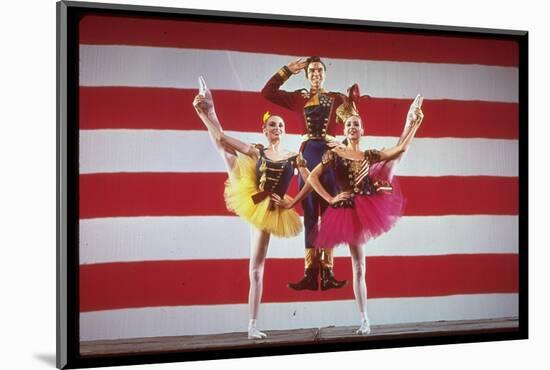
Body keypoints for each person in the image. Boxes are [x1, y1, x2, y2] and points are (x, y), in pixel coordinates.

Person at [193, 77, 310, 339]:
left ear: (284, 130)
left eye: (280, 125)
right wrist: (202, 113)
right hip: (251, 190)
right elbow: (222, 138)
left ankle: (252, 325)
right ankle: (209, 104)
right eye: (272, 125)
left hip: (270, 207)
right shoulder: (257, 150)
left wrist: (292, 201)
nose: (277, 128)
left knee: (257, 267)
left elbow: (310, 180)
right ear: (265, 130)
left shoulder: (293, 156)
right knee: (226, 152)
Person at [306, 96, 424, 335]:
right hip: (347, 209)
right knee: (357, 264)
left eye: (356, 124)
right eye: (348, 124)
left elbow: (400, 149)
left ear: (362, 129)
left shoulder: (369, 154)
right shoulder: (335, 153)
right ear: (345, 128)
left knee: (360, 266)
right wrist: (330, 199)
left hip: (368, 201)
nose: (352, 127)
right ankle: (364, 318)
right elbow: (311, 177)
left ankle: (364, 320)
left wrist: (414, 123)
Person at [261, 56, 348, 291]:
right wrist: (288, 70)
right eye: (312, 71)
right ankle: (310, 274)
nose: (316, 74)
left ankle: (328, 272)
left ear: (325, 74)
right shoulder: (298, 98)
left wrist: (339, 142)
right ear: (307, 75)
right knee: (310, 213)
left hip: (330, 157)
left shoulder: (338, 99)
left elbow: (355, 123)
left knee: (329, 214)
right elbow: (267, 92)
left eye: (320, 70)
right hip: (308, 156)